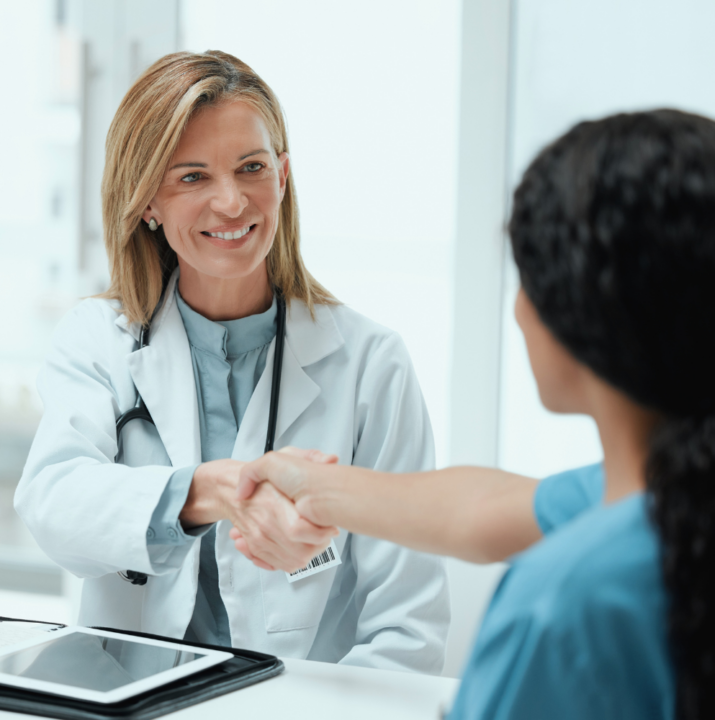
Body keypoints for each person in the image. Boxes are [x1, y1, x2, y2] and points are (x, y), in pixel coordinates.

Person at [233, 109, 715, 718]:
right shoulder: (672, 494)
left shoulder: (565, 602)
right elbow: (483, 509)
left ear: (575, 317)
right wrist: (312, 488)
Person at [14, 50, 450, 673]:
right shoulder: (99, 340)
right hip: (133, 702)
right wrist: (212, 492)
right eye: (192, 177)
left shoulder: (370, 365)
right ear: (146, 204)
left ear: (283, 176)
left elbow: (407, 633)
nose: (231, 202)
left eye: (251, 168)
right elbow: (53, 502)